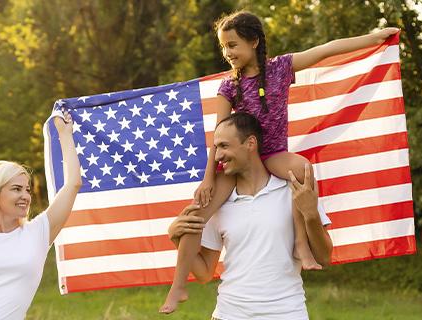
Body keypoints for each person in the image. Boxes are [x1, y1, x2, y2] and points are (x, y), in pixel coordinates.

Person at [161, 10, 398, 313]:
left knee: (301, 170)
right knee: (196, 213)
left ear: (254, 41)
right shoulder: (228, 87)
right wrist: (209, 178)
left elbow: (325, 50)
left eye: (232, 45)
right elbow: (218, 137)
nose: (227, 53)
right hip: (235, 160)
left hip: (271, 155)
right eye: (223, 47)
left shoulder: (280, 68)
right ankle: (178, 286)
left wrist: (373, 38)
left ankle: (301, 244)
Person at [167, 112, 332, 319]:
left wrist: (311, 214)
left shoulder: (293, 187)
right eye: (216, 148)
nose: (218, 156)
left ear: (250, 143)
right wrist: (175, 237)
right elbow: (204, 273)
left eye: (224, 146)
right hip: (228, 314)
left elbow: (324, 258)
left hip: (288, 313)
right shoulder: (217, 201)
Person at [0, 112, 81, 320]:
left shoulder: (38, 232)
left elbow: (73, 184)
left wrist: (65, 134)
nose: (25, 196)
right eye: (16, 189)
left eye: (27, 190)